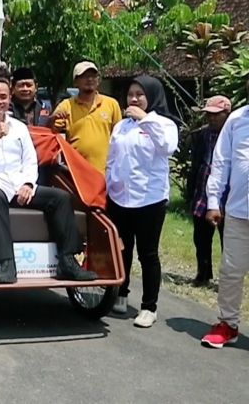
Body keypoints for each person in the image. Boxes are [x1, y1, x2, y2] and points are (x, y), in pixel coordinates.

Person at [0, 78, 97, 284]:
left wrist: (28, 184)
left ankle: (68, 261)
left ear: (10, 99)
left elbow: (30, 160)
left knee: (60, 198)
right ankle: (5, 263)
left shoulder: (19, 127)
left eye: (3, 97)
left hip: (18, 185)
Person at [106, 76, 178, 328]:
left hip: (150, 199)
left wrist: (144, 119)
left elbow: (168, 147)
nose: (133, 99)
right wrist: (110, 182)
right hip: (119, 197)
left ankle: (149, 306)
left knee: (148, 254)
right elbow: (113, 157)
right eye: (130, 94)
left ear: (152, 96)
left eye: (140, 94)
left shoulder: (164, 124)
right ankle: (121, 294)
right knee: (122, 249)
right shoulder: (121, 126)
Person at [200, 85, 249, 348]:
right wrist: (213, 201)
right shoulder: (237, 119)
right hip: (240, 211)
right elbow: (221, 163)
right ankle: (228, 325)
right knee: (231, 271)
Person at [186, 95, 231, 286]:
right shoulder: (203, 134)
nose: (211, 118)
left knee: (227, 239)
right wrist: (191, 192)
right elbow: (195, 164)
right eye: (208, 115)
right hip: (203, 190)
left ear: (226, 114)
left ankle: (228, 279)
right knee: (201, 237)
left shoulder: (235, 133)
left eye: (216, 115)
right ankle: (203, 273)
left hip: (228, 192)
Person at [50, 61, 121, 174]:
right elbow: (52, 133)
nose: (89, 79)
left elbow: (120, 138)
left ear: (98, 80)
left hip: (106, 173)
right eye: (84, 76)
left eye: (93, 76)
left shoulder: (111, 104)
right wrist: (53, 122)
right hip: (77, 173)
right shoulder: (66, 105)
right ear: (75, 82)